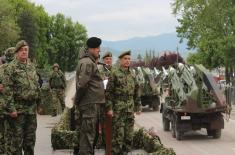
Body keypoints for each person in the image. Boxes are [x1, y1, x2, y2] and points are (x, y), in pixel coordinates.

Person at [3, 40, 41, 155]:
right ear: (17, 52)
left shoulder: (31, 66)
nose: (24, 52)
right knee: (17, 142)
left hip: (31, 110)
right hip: (18, 110)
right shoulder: (11, 68)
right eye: (21, 50)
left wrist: (39, 104)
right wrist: (11, 109)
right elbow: (7, 89)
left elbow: (36, 85)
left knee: (30, 141)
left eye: (26, 50)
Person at [105, 50, 142, 155]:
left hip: (129, 109)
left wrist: (138, 106)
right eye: (125, 59)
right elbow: (109, 93)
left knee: (129, 137)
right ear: (120, 60)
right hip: (118, 109)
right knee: (118, 137)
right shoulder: (115, 73)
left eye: (129, 59)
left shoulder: (132, 74)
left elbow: (137, 92)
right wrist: (110, 108)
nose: (127, 61)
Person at [74, 37, 105, 155]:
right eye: (97, 48)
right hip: (89, 104)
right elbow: (82, 85)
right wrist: (77, 100)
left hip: (91, 104)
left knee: (91, 135)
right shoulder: (87, 62)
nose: (99, 50)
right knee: (87, 137)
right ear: (91, 49)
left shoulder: (90, 62)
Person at [0, 47, 15, 154]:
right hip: (9, 107)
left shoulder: (2, 68)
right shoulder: (9, 68)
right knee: (9, 135)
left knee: (4, 135)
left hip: (6, 107)